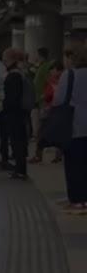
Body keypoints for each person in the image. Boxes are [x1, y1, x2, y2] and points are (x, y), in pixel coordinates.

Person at [53, 44, 87, 214]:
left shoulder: (70, 75)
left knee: (73, 163)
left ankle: (77, 201)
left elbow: (59, 99)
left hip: (74, 125)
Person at [1, 48, 28, 179]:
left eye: (5, 59)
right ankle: (20, 169)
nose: (3, 61)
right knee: (19, 142)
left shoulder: (13, 75)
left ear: (10, 59)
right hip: (20, 113)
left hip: (14, 114)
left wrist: (4, 105)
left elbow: (12, 97)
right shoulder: (20, 73)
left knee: (17, 142)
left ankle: (20, 170)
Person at [30, 60, 64, 164]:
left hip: (50, 111)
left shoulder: (56, 82)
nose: (51, 72)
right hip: (57, 111)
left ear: (58, 70)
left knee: (41, 133)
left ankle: (38, 156)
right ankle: (58, 155)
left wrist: (42, 97)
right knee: (59, 134)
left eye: (52, 70)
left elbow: (49, 96)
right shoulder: (60, 81)